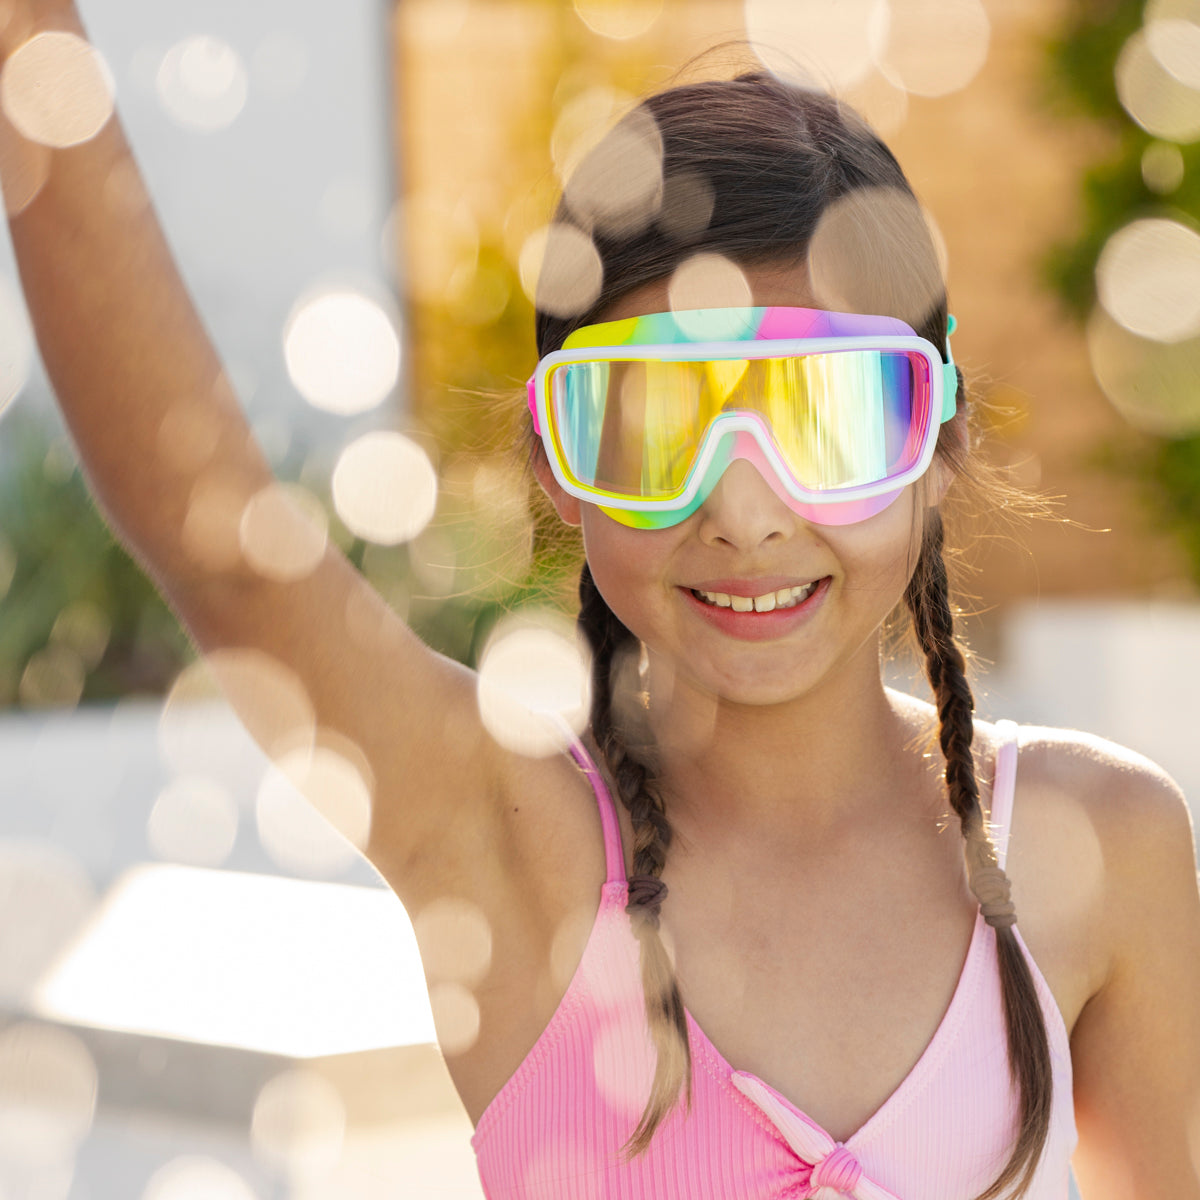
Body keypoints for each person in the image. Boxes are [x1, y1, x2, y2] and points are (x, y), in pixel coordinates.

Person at [2, 5, 1198, 1198]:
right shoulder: (509, 846)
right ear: (553, 463)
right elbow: (212, 538)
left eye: (826, 421)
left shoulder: (1095, 846)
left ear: (937, 443)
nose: (744, 511)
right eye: (655, 425)